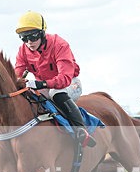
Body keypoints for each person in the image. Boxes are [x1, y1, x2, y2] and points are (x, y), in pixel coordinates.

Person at [14, 11, 94, 146]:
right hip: (45, 86)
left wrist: (40, 84)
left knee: (55, 93)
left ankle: (81, 131)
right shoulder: (23, 50)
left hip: (70, 83)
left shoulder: (59, 45)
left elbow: (64, 79)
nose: (29, 42)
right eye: (24, 38)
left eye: (32, 37)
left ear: (42, 33)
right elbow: (17, 74)